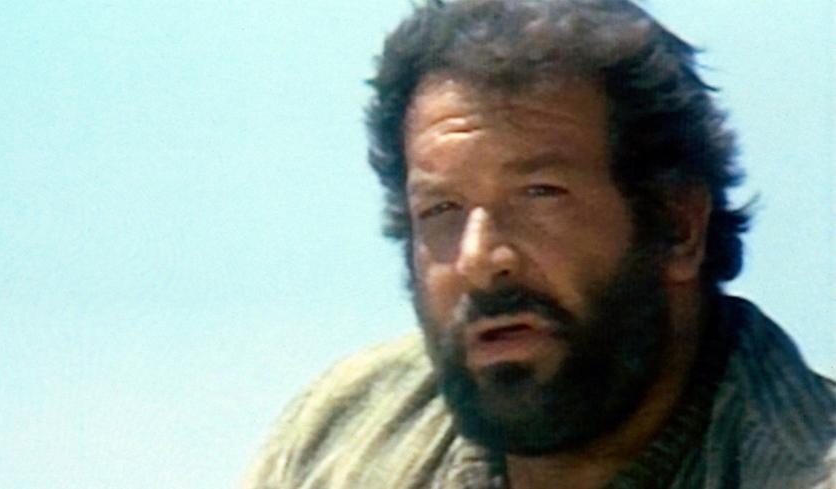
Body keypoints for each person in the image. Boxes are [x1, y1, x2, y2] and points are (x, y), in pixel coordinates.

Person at [246, 1, 836, 487]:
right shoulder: (343, 439)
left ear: (677, 225)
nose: (480, 260)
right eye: (441, 210)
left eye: (539, 195)